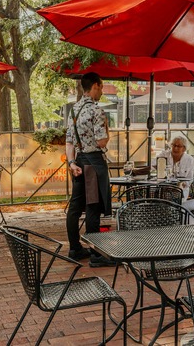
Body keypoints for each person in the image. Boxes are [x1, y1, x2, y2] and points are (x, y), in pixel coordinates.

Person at [65, 72, 114, 267]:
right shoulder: (97, 110)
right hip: (94, 163)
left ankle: (75, 248)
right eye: (101, 87)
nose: (101, 92)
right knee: (93, 207)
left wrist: (71, 163)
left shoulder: (74, 109)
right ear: (95, 85)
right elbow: (101, 141)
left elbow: (69, 141)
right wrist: (108, 131)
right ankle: (96, 254)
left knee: (75, 208)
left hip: (78, 162)